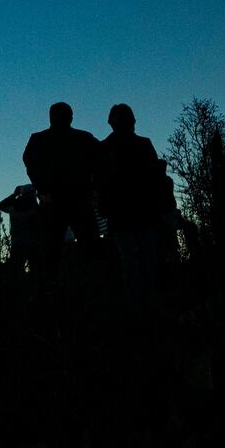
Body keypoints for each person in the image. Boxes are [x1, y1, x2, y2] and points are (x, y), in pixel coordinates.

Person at [22, 102, 102, 276]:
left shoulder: (39, 139)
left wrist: (43, 189)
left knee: (55, 253)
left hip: (63, 201)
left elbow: (30, 163)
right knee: (83, 249)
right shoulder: (84, 138)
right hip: (72, 201)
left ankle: (54, 292)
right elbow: (29, 163)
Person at [100, 104, 161, 301]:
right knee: (141, 260)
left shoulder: (105, 148)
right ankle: (143, 303)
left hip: (130, 213)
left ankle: (138, 303)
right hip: (136, 212)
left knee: (132, 261)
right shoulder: (141, 144)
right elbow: (155, 177)